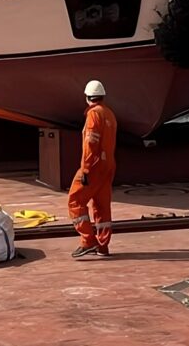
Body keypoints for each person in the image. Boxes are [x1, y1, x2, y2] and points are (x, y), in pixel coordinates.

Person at [68, 79, 117, 258]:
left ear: (88, 98)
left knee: (75, 201)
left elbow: (90, 142)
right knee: (102, 205)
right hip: (108, 166)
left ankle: (88, 241)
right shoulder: (109, 114)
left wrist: (86, 170)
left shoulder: (93, 114)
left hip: (94, 166)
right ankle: (102, 246)